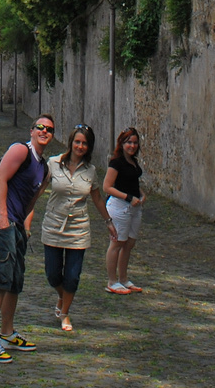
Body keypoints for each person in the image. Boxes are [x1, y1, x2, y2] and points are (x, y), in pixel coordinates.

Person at [0, 113, 54, 362]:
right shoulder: (21, 151)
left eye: (49, 129)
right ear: (31, 131)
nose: (44, 131)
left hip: (17, 225)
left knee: (14, 281)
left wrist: (25, 227)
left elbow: (32, 201)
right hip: (1, 221)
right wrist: (2, 216)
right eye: (39, 127)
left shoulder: (44, 168)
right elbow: (0, 179)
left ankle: (7, 332)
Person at [41, 124, 115, 332]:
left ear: (89, 147)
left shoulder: (90, 171)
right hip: (53, 225)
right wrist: (23, 214)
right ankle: (61, 297)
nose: (80, 146)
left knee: (72, 276)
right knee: (53, 274)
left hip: (78, 229)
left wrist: (109, 222)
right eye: (77, 142)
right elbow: (39, 189)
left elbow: (97, 198)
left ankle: (64, 313)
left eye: (84, 143)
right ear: (71, 142)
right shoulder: (54, 163)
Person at [103, 126, 146, 294]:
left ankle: (123, 279)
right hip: (120, 207)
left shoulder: (133, 162)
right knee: (117, 243)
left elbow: (133, 182)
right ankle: (112, 281)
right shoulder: (116, 162)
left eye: (135, 143)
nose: (132, 146)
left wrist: (141, 194)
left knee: (129, 243)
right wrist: (128, 197)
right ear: (122, 144)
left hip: (135, 207)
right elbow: (108, 187)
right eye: (129, 142)